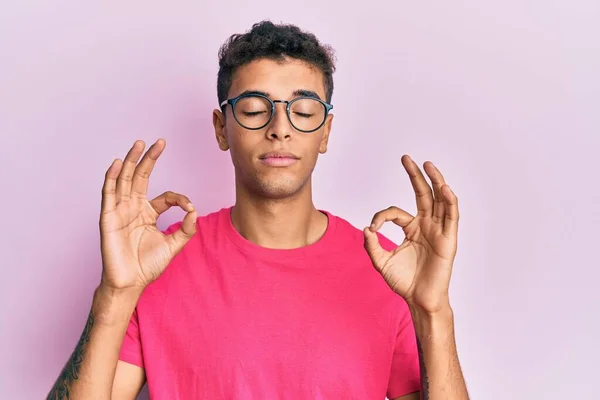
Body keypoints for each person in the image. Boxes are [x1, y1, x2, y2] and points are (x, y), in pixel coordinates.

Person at [48, 21, 469, 400]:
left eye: (303, 112)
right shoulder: (159, 260)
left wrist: (434, 312)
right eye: (254, 109)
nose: (280, 128)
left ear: (325, 132)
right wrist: (116, 295)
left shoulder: (386, 267)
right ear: (221, 128)